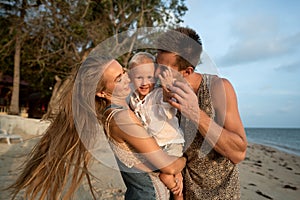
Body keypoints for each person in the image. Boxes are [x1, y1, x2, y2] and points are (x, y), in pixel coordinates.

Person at [8, 53, 186, 200]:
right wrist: (186, 159)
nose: (126, 79)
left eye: (123, 72)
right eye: (118, 79)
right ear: (101, 92)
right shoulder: (122, 118)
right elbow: (168, 167)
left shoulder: (121, 110)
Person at [155, 27, 248, 200]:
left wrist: (195, 113)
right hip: (181, 192)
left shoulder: (217, 88)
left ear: (187, 71)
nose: (156, 73)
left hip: (221, 193)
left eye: (163, 70)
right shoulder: (156, 92)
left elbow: (239, 153)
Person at [127, 52, 185, 199]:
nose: (144, 82)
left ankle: (179, 195)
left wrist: (167, 92)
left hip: (171, 143)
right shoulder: (133, 99)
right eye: (139, 77)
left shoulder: (159, 94)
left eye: (149, 77)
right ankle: (176, 175)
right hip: (156, 146)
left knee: (166, 177)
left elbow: (167, 102)